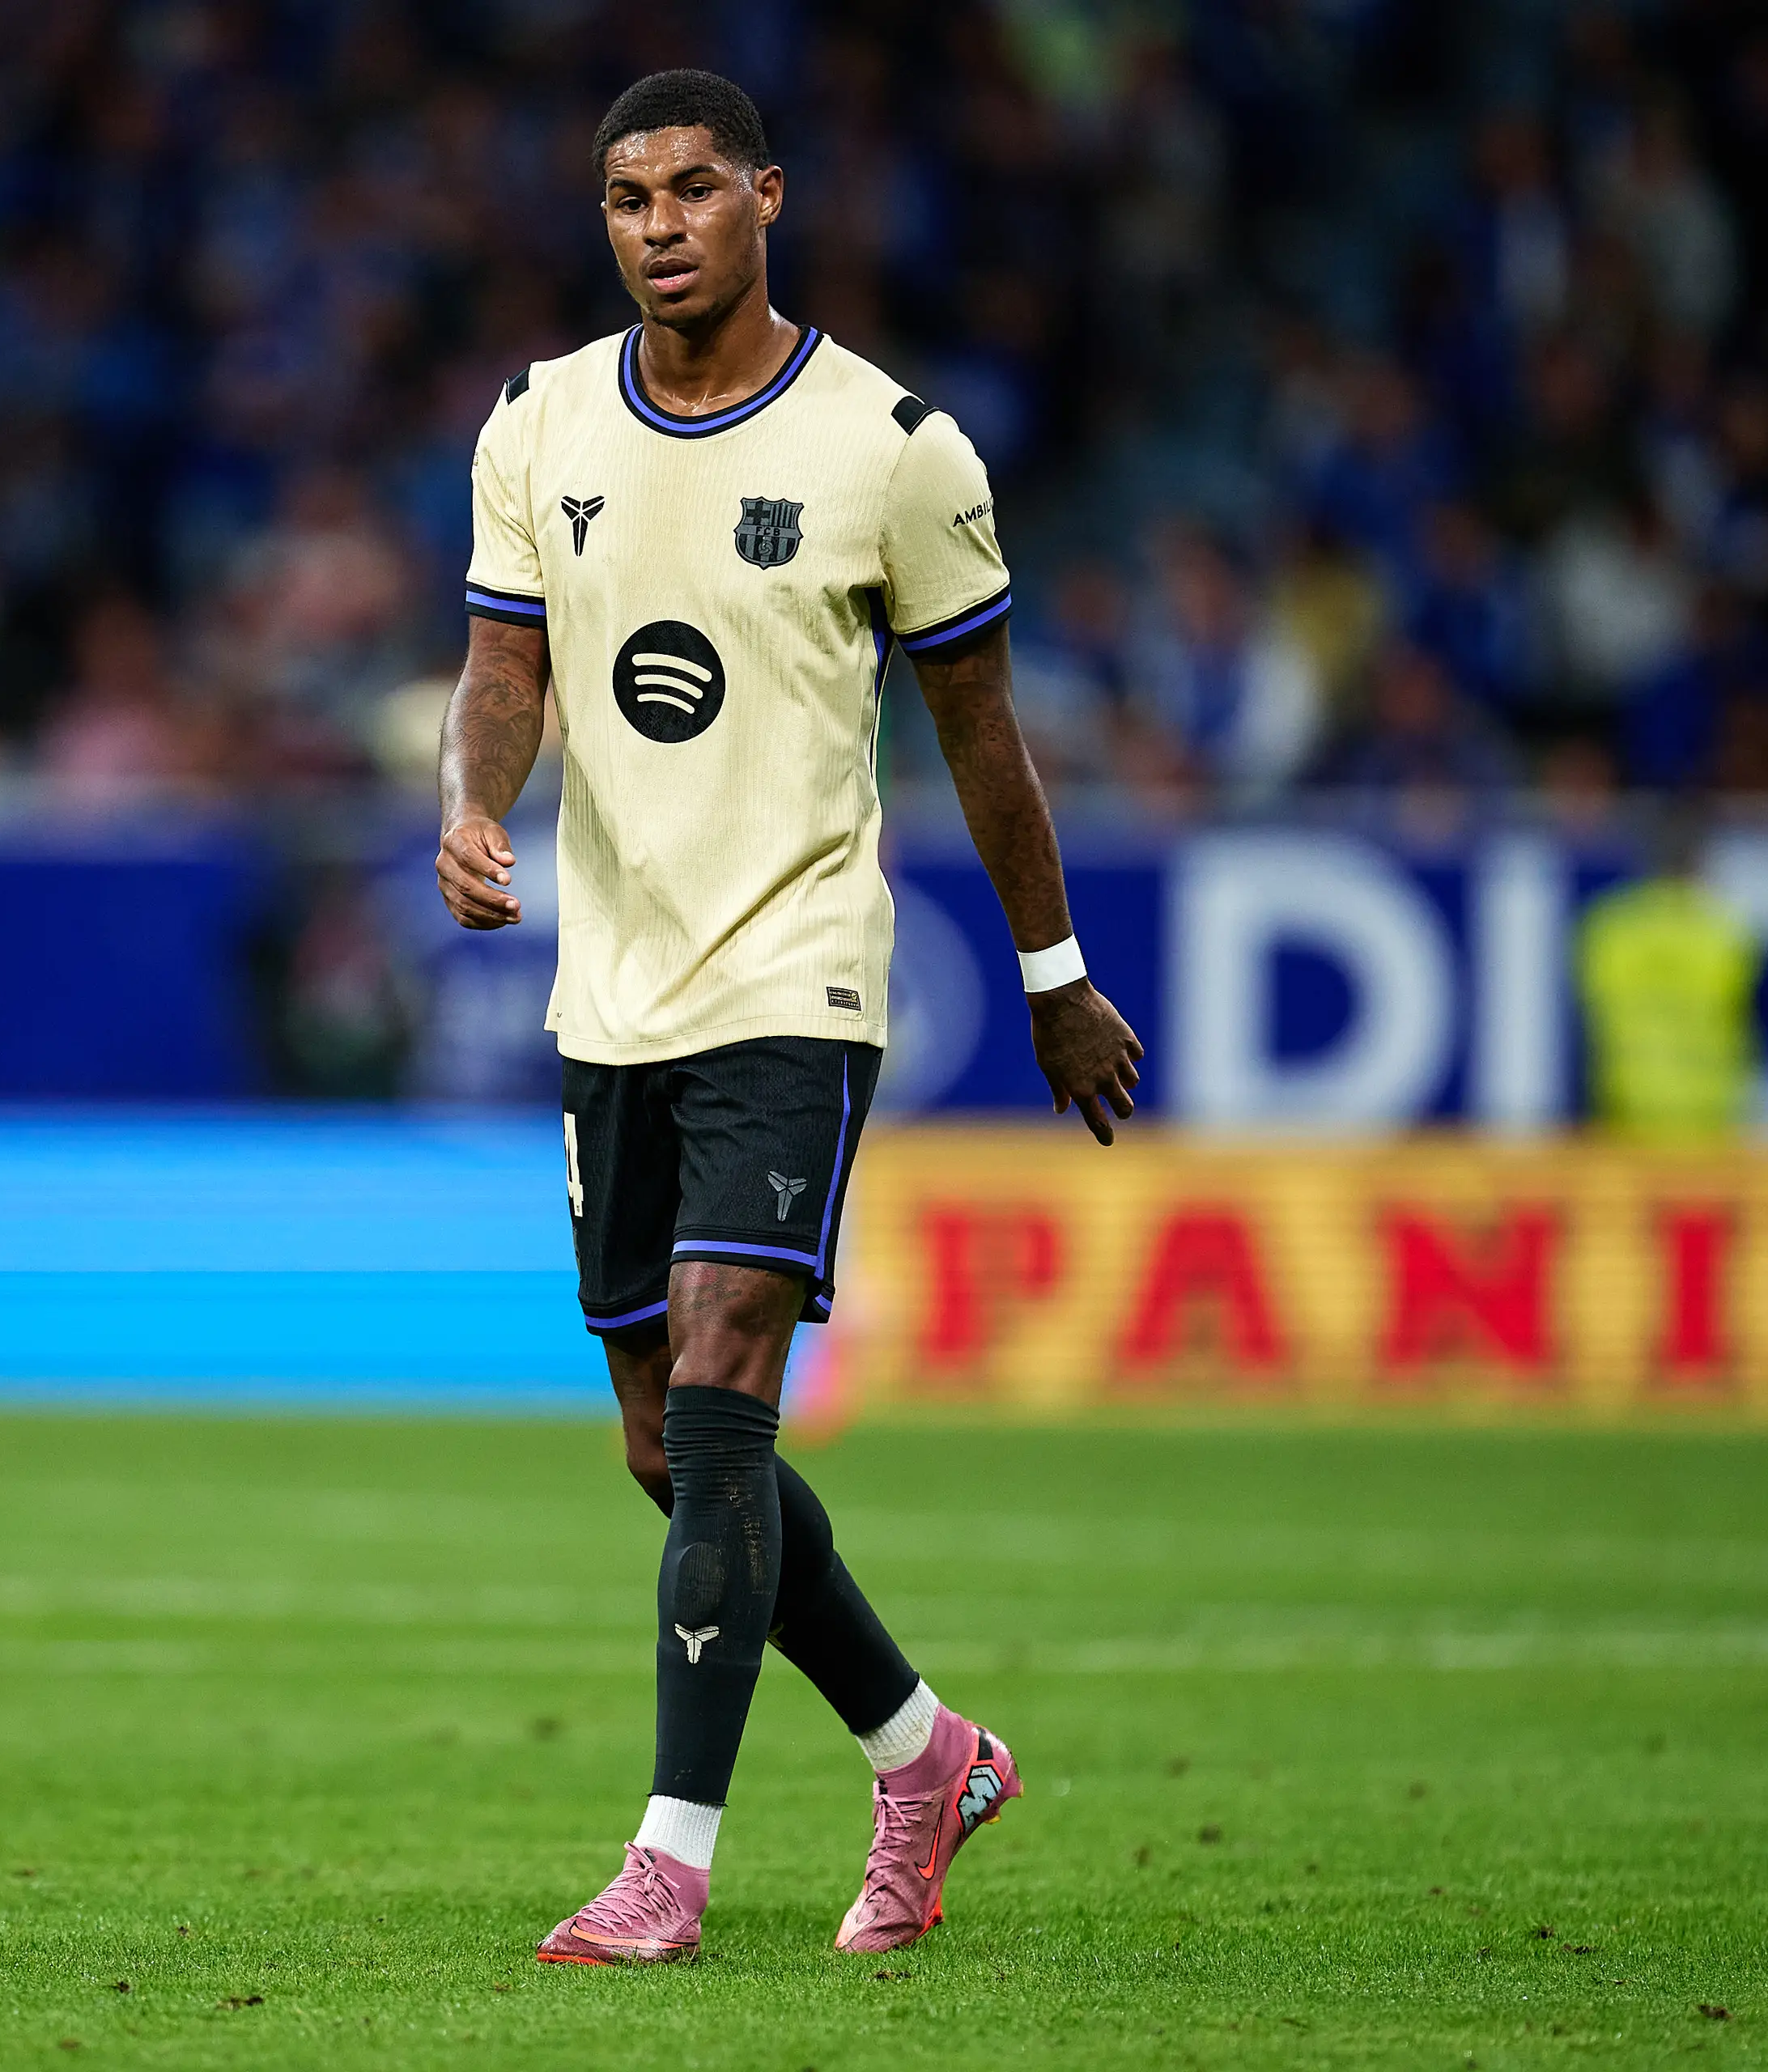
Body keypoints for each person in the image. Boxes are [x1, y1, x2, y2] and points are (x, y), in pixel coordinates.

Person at [432, 70, 1145, 1966]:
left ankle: (667, 1864)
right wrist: (472, 801)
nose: (658, 225)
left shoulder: (892, 449)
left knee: (728, 1361)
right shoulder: (538, 421)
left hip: (794, 968)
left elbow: (982, 734)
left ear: (766, 197)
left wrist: (1054, 974)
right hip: (615, 982)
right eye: (626, 199)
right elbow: (502, 663)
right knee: (665, 1441)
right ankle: (926, 1752)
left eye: (691, 189)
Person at [1575, 814, 1762, 1140]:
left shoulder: (1608, 926)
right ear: (1700, 862)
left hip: (1626, 1111)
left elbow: (1589, 1012)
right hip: (1710, 1114)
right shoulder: (1727, 932)